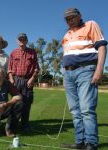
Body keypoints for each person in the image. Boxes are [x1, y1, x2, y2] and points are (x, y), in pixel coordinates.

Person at [61, 8, 107, 150]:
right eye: (67, 19)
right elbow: (67, 55)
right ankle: (80, 142)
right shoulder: (67, 34)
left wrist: (99, 69)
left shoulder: (91, 25)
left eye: (72, 17)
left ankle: (91, 143)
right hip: (68, 74)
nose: (70, 20)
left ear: (79, 16)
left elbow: (102, 47)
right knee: (75, 110)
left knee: (87, 109)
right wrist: (64, 73)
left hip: (86, 70)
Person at [8, 33, 39, 132]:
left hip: (27, 80)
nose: (22, 40)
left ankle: (25, 125)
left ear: (26, 41)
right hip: (16, 80)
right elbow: (9, 68)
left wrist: (33, 78)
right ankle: (13, 125)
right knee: (16, 103)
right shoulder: (13, 53)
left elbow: (36, 68)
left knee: (27, 103)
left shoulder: (32, 52)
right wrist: (11, 78)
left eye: (24, 39)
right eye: (20, 39)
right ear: (17, 41)